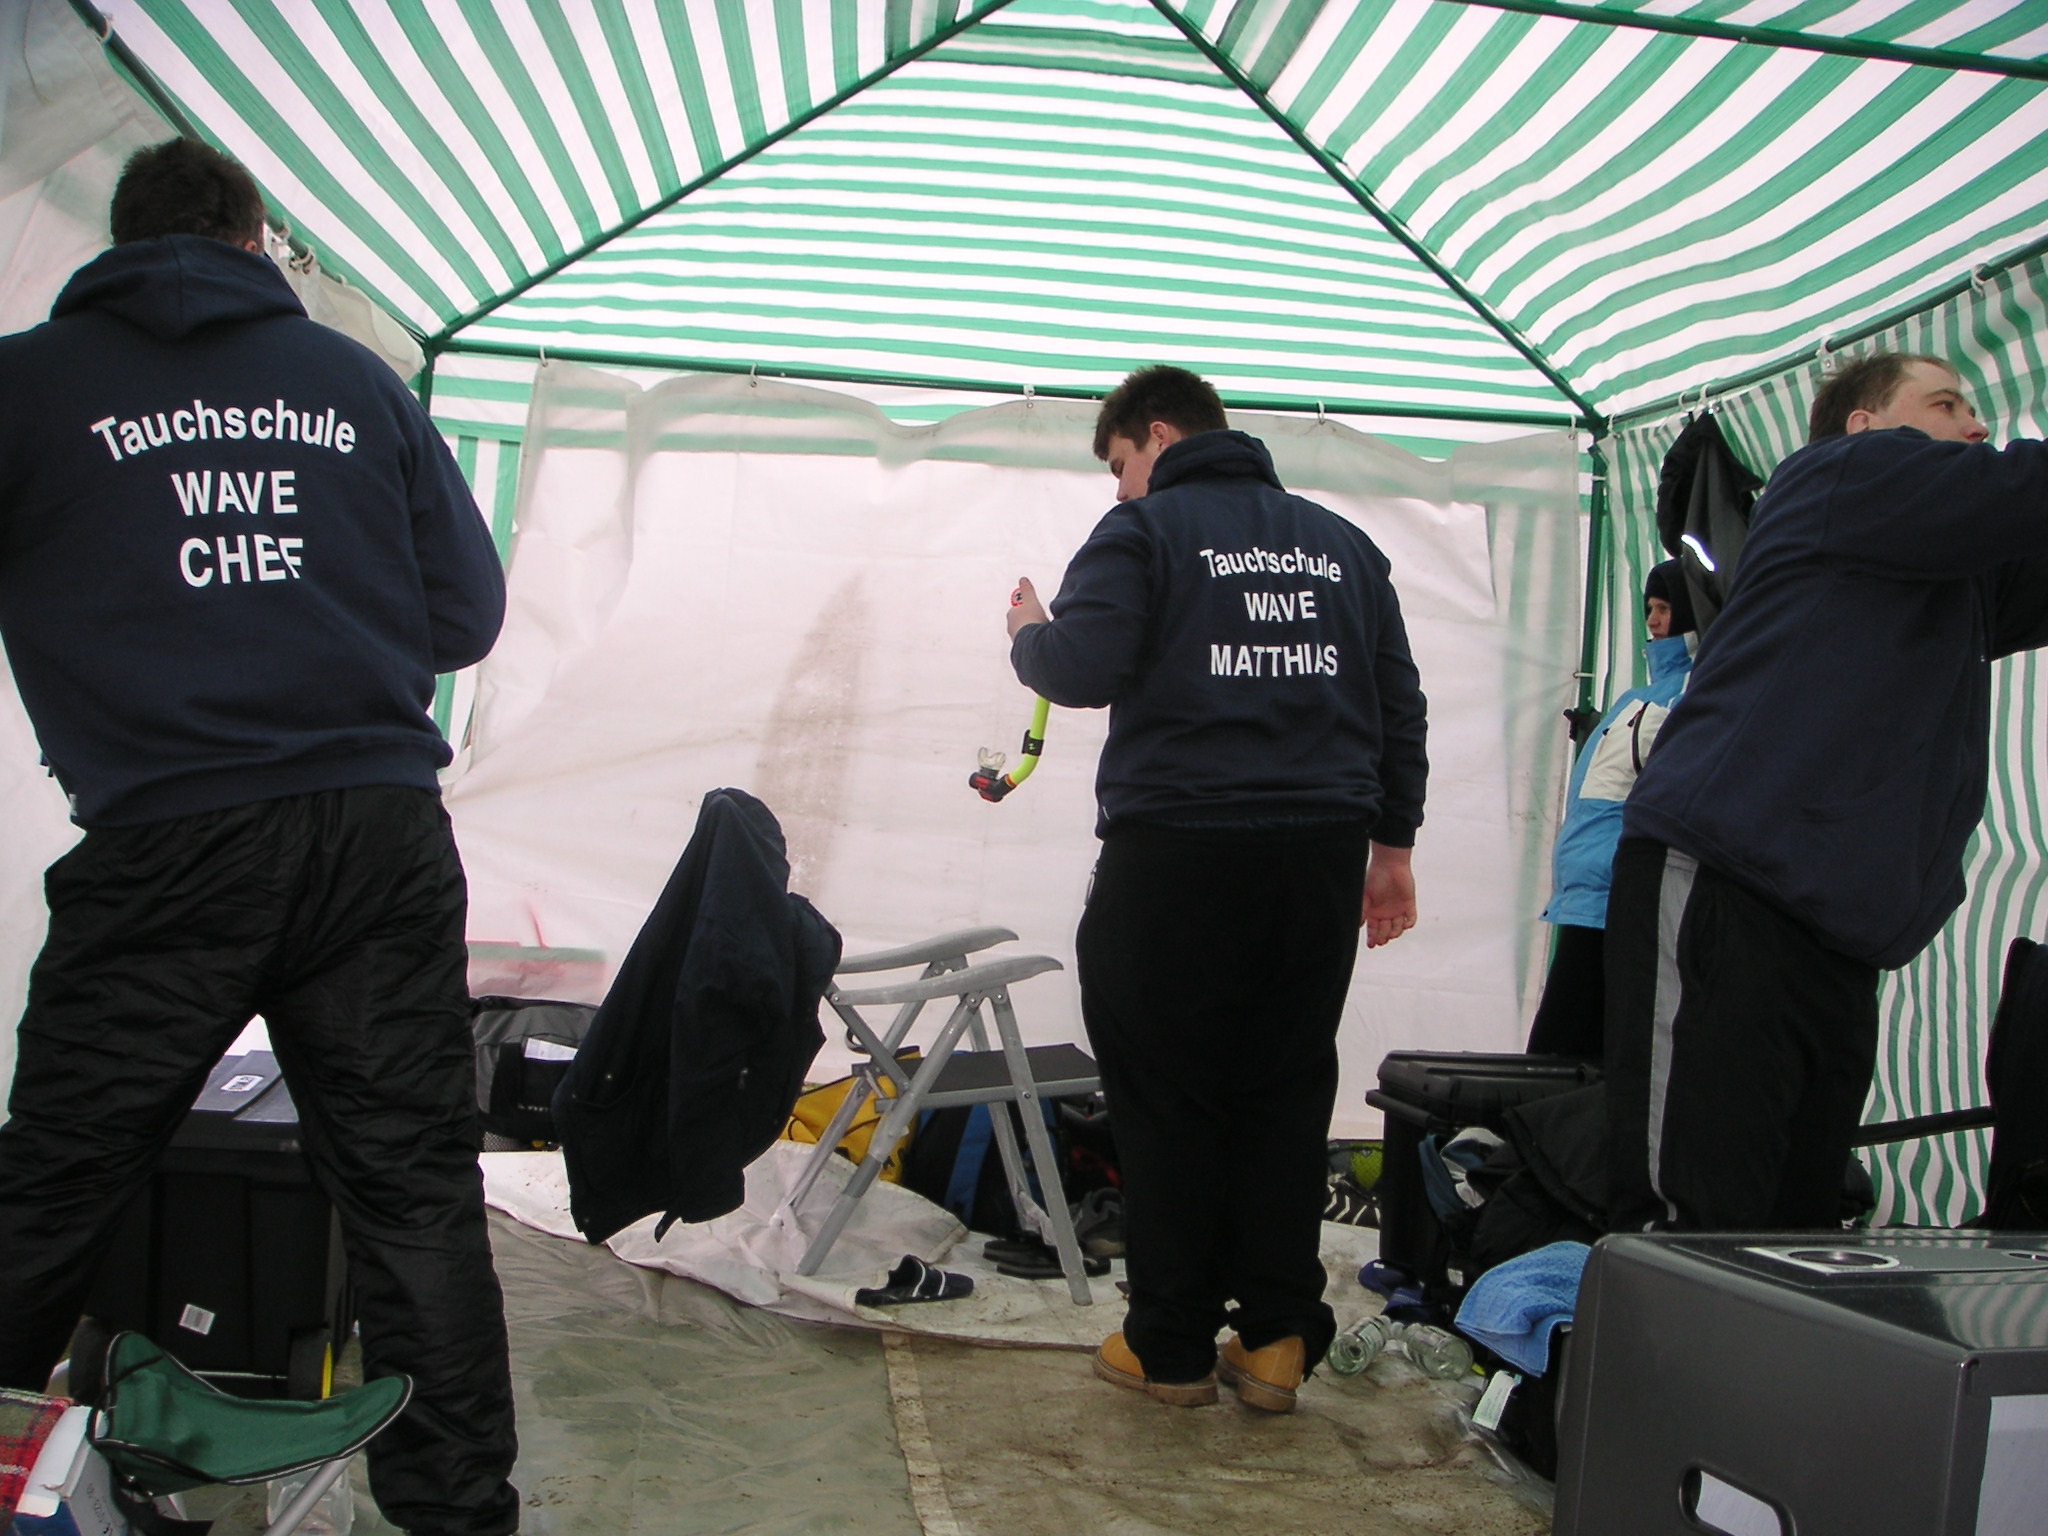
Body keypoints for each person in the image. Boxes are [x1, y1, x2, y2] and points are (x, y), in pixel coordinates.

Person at [0, 140, 518, 1532]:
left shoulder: (29, 384)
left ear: (118, 245)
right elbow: (464, 615)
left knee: (53, 1183)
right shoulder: (356, 382)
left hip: (170, 835)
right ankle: (460, 1514)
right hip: (376, 831)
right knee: (412, 1192)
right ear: (258, 241)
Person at [1006, 365, 1427, 1411]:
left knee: (1166, 1092)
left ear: (1158, 435)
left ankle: (1171, 1345)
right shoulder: (1340, 544)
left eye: (1118, 463)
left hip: (1178, 852)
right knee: (1284, 1090)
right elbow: (1396, 702)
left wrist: (1028, 633)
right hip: (1316, 856)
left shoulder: (1143, 533)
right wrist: (1392, 847)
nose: (1117, 488)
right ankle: (1277, 1339)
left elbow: (1080, 667)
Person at [1603, 352, 2048, 1234]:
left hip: (1837, 933)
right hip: (1729, 881)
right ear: (1864, 423)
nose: (1976, 426)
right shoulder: (1842, 474)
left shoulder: (1944, 569)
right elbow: (2021, 492)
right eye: (1945, 404)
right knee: (1689, 1219)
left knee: (1794, 1231)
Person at [1525, 561, 1695, 1061]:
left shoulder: (1693, 694)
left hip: (1623, 899)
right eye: (1649, 609)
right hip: (1588, 894)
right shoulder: (1638, 698)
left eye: (1665, 608)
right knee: (1566, 1057)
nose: (1653, 621)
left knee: (1567, 1057)